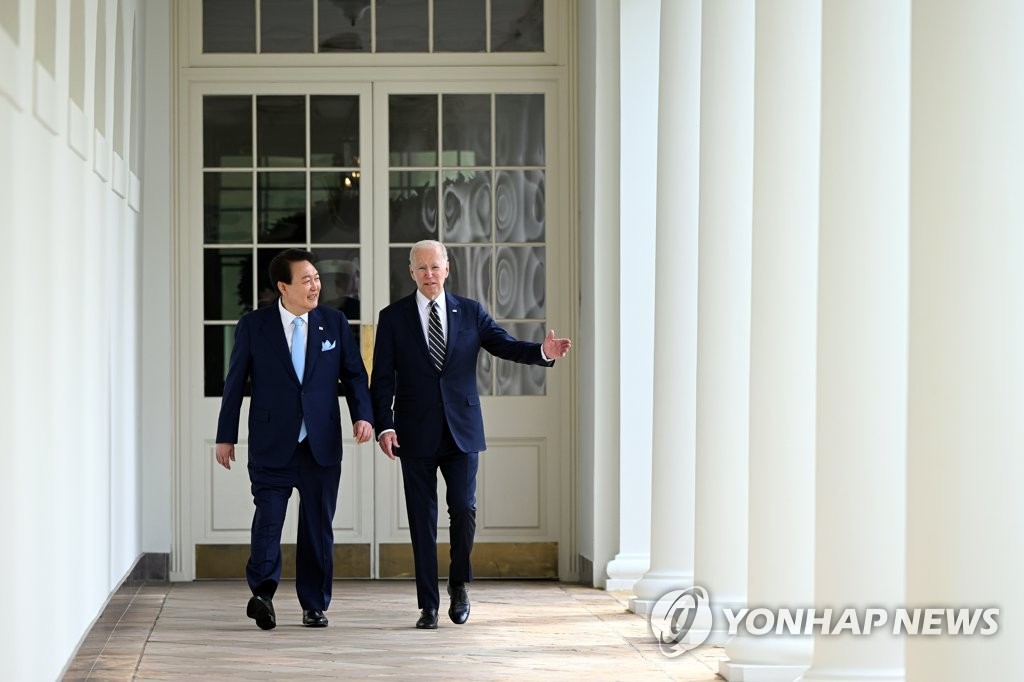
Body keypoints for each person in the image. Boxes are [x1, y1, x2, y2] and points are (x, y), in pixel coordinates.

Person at [370, 239, 571, 629]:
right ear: (411, 272)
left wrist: (542, 352)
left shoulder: (471, 312)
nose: (429, 275)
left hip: (461, 430)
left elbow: (505, 346)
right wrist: (385, 424)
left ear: (448, 268)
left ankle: (459, 584)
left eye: (435, 267)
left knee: (463, 509)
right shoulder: (393, 318)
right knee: (421, 519)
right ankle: (427, 604)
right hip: (414, 432)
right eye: (421, 268)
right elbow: (381, 379)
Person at [215, 248, 373, 630]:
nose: (315, 285)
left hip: (320, 443)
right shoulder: (255, 326)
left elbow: (353, 375)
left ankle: (314, 604)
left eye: (317, 278)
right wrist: (225, 436)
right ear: (283, 286)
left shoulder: (333, 323)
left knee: (318, 526)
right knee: (268, 521)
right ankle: (262, 595)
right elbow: (235, 383)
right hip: (273, 443)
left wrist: (363, 415)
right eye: (306, 280)